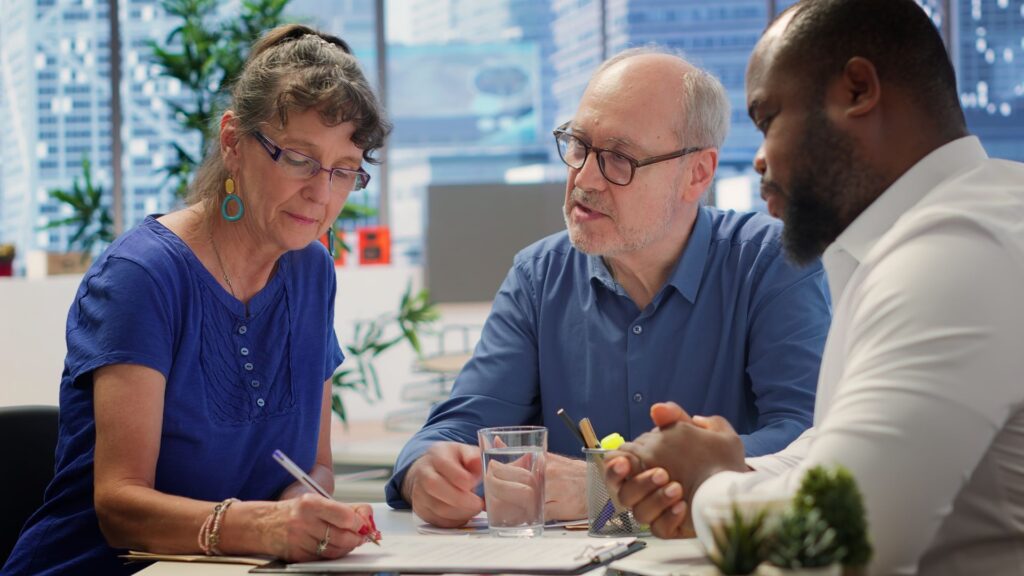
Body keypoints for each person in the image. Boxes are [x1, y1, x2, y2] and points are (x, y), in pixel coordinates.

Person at [606, 1, 1024, 574]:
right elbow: (835, 452)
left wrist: (707, 484)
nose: (756, 160)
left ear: (858, 90)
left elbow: (847, 532)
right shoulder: (947, 226)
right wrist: (731, 476)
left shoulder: (957, 248)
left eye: (768, 119)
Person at [385, 47, 832, 528]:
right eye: (578, 145)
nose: (585, 178)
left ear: (697, 174)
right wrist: (426, 470)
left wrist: (610, 488)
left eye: (619, 158)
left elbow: (806, 438)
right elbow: (463, 425)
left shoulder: (770, 262)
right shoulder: (539, 275)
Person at [2, 24, 391, 575]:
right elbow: (119, 506)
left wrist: (304, 513)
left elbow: (316, 469)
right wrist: (263, 528)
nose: (321, 193)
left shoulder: (312, 272)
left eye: (344, 171)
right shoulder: (143, 276)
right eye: (299, 158)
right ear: (234, 142)